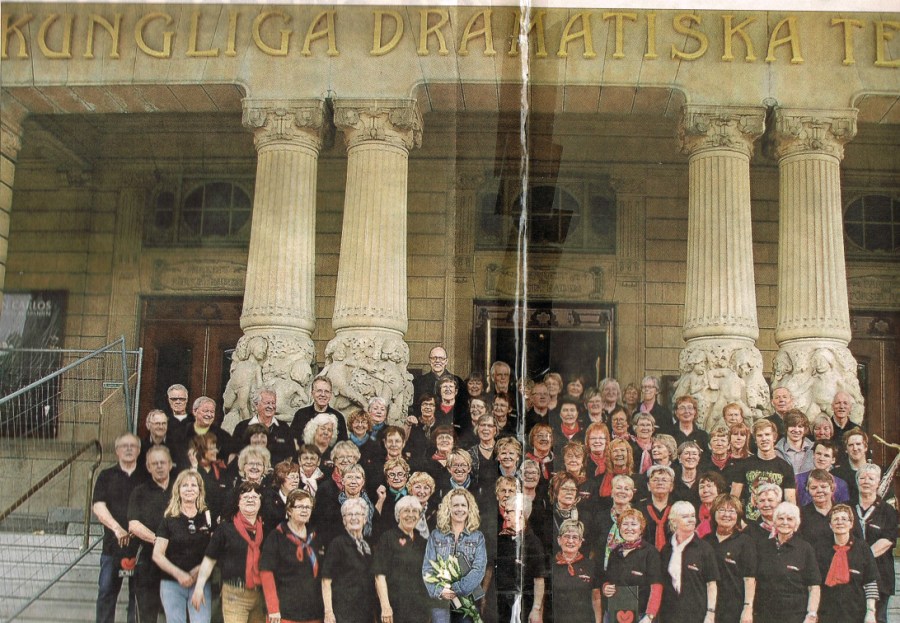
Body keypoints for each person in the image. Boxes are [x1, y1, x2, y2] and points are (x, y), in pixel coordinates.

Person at [192, 481, 267, 623]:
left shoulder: (265, 529)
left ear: (260, 502)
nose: (250, 500)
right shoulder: (225, 529)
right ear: (238, 502)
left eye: (254, 497)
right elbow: (210, 559)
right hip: (234, 594)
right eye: (245, 497)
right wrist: (199, 587)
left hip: (260, 595)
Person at [93, 432, 145, 623]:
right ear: (117, 451)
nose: (129, 449)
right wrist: (117, 529)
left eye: (133, 446)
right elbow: (98, 506)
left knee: (137, 597)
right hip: (112, 548)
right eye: (124, 446)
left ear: (139, 450)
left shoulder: (146, 477)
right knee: (106, 593)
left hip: (141, 548)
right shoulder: (106, 476)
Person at [153, 469, 214, 623]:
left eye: (193, 485)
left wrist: (199, 570)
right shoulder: (169, 519)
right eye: (184, 485)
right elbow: (157, 554)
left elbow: (215, 551)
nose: (189, 489)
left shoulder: (207, 518)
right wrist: (179, 574)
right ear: (178, 490)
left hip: (200, 583)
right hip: (172, 583)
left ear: (200, 490)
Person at [423, 489, 487, 623]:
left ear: (469, 509)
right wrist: (439, 591)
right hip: (441, 602)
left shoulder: (477, 537)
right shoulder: (436, 535)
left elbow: (479, 569)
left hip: (467, 602)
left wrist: (457, 589)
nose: (460, 509)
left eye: (463, 505)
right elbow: (428, 568)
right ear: (448, 508)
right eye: (455, 505)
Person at [259, 489, 324, 623]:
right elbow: (266, 573)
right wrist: (273, 608)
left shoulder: (316, 536)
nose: (305, 510)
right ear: (289, 510)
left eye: (308, 507)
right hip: (285, 612)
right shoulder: (276, 536)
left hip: (314, 612)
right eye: (299, 506)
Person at [128, 445, 175, 623]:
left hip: (178, 560)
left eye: (163, 462)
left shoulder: (182, 489)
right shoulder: (139, 492)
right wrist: (158, 541)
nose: (159, 466)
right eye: (154, 463)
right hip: (148, 561)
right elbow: (133, 525)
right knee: (147, 617)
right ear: (148, 467)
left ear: (170, 464)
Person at [754, 501, 821, 623]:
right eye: (781, 518)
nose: (785, 522)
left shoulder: (805, 549)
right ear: (774, 522)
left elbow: (814, 586)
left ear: (796, 524)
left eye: (790, 519)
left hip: (795, 616)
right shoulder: (762, 547)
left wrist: (811, 614)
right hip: (764, 615)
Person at [816, 504, 879, 623]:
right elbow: (815, 584)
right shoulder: (820, 549)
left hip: (856, 614)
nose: (840, 522)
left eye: (844, 519)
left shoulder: (863, 548)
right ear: (830, 525)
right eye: (836, 519)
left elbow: (870, 582)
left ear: (851, 524)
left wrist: (871, 612)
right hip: (826, 614)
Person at [373, 495, 431, 623]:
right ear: (398, 514)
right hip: (394, 609)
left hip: (419, 610)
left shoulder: (423, 542)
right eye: (406, 511)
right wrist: (385, 606)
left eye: (415, 511)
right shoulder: (387, 538)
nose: (410, 515)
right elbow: (379, 575)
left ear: (419, 516)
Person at [660, 500, 719, 623]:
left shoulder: (705, 549)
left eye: (692, 515)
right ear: (674, 521)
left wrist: (710, 614)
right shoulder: (666, 550)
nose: (691, 520)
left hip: (697, 616)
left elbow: (711, 584)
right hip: (670, 616)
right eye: (685, 516)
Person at [854, 463, 898, 623]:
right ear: (857, 481)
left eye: (871, 478)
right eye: (862, 478)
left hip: (880, 575)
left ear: (878, 482)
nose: (866, 481)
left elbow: (887, 540)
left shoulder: (888, 511)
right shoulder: (847, 507)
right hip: (852, 576)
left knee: (878, 618)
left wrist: (862, 558)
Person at [602, 508, 663, 622]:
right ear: (619, 528)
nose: (629, 528)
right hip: (615, 614)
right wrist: (606, 588)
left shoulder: (650, 552)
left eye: (634, 524)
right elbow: (607, 580)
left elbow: (656, 586)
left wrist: (649, 616)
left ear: (641, 529)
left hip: (641, 616)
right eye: (625, 524)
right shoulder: (614, 552)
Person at [322, 497, 376, 623]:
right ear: (344, 520)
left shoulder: (367, 545)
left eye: (358, 514)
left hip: (365, 611)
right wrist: (328, 612)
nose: (353, 517)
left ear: (365, 519)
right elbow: (326, 580)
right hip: (344, 612)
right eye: (349, 514)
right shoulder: (338, 544)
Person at [703, 494, 756, 623]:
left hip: (733, 608)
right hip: (707, 607)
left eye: (732, 511)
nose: (726, 515)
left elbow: (749, 578)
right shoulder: (705, 541)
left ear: (738, 516)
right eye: (721, 510)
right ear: (714, 513)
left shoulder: (745, 542)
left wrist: (747, 608)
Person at [493, 493, 546, 623]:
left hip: (522, 606)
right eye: (505, 511)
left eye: (508, 512)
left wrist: (536, 609)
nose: (505, 515)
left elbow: (539, 579)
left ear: (520, 514)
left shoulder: (534, 543)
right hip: (500, 605)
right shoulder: (501, 538)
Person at [730, 418, 797, 517]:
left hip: (776, 523)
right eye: (759, 435)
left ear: (774, 437)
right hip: (750, 523)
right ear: (755, 439)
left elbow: (790, 503)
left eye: (767, 434)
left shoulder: (786, 467)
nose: (764, 439)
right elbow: (733, 499)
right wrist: (741, 522)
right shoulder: (743, 465)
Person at [550, 518, 601, 623]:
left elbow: (596, 599)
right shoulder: (550, 565)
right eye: (566, 536)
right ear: (559, 540)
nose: (570, 541)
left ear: (580, 542)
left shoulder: (591, 565)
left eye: (575, 537)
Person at [172, 396, 234, 471]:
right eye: (205, 411)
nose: (209, 415)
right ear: (195, 411)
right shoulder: (180, 433)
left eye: (212, 412)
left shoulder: (223, 436)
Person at [232, 389, 294, 465]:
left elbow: (291, 455)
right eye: (267, 403)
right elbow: (234, 454)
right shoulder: (242, 427)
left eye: (273, 403)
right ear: (256, 405)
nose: (271, 406)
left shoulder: (284, 427)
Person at [290, 376, 349, 443]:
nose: (323, 394)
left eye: (326, 391)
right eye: (319, 391)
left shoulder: (339, 417)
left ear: (330, 394)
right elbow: (292, 442)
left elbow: (343, 445)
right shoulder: (300, 415)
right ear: (312, 393)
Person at [796, 440, 850, 507]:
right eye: (818, 454)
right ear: (813, 455)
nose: (821, 458)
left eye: (826, 455)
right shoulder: (798, 479)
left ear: (833, 460)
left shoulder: (841, 484)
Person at [190, 432, 229, 523]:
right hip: (196, 521)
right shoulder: (192, 470)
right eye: (212, 448)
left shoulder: (220, 469)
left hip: (218, 521)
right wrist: (194, 467)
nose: (216, 451)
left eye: (215, 447)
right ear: (200, 451)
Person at [799, 469, 841, 550]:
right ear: (808, 489)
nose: (819, 490)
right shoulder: (801, 514)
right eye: (814, 488)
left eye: (823, 487)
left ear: (832, 488)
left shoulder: (844, 512)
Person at [642, 464, 677, 551]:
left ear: (671, 486)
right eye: (655, 480)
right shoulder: (639, 508)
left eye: (664, 480)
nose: (660, 483)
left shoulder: (677, 508)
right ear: (648, 486)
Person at [261, 460, 300, 530]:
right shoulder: (270, 499)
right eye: (292, 477)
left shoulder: (302, 498)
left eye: (297, 477)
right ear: (281, 478)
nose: (296, 480)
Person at [776, 410, 815, 475]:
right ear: (786, 427)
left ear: (805, 429)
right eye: (793, 426)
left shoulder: (814, 449)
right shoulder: (776, 452)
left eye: (800, 426)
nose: (796, 430)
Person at [138, 408, 173, 477]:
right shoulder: (139, 447)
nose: (161, 427)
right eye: (157, 423)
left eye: (164, 423)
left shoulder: (176, 446)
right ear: (148, 425)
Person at [696, 472, 728, 539]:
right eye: (701, 487)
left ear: (719, 488)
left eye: (709, 486)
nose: (705, 490)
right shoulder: (694, 511)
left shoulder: (727, 510)